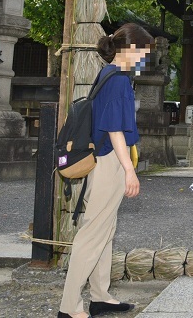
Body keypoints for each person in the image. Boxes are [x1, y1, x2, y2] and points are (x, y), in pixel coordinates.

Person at [58, 23, 154, 318]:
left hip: (103, 159)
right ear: (131, 50)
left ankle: (100, 295)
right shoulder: (118, 81)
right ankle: (69, 307)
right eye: (144, 53)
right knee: (93, 233)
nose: (145, 59)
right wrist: (129, 170)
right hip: (110, 160)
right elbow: (115, 129)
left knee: (104, 229)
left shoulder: (108, 74)